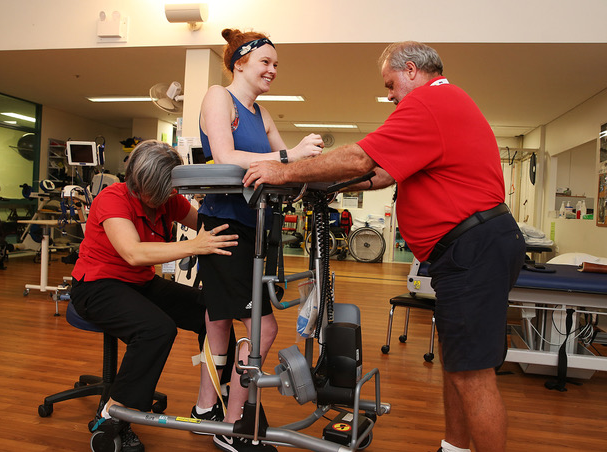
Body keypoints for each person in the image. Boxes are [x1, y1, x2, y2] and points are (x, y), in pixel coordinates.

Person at [243, 41, 526, 452]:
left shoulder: (430, 102)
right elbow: (378, 175)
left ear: (411, 70)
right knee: (458, 364)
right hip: (469, 250)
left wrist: (283, 171)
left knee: (472, 375)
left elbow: (360, 159)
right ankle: (454, 447)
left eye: (391, 84)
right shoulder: (445, 104)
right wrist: (312, 183)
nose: (390, 95)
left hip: (474, 249)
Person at [197, 28, 324, 452]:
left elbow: (285, 167)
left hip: (256, 227)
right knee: (262, 328)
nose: (272, 70)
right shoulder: (220, 96)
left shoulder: (263, 113)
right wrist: (291, 157)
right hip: (224, 227)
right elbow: (226, 156)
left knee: (218, 324)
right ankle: (232, 426)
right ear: (240, 63)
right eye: (265, 62)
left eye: (275, 65)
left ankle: (204, 412)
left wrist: (311, 168)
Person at [70, 139, 238, 452]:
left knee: (213, 309)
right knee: (156, 329)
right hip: (97, 286)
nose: (172, 196)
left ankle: (216, 397)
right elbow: (133, 253)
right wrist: (193, 246)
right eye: (166, 189)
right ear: (142, 183)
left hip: (139, 283)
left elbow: (208, 226)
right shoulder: (112, 199)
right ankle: (114, 417)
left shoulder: (167, 201)